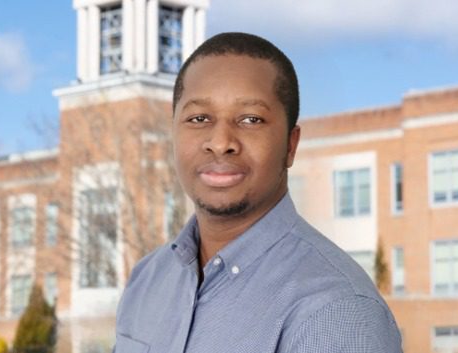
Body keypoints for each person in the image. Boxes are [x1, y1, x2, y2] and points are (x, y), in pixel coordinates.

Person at [114, 32, 402, 353]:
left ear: (291, 145)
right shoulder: (147, 278)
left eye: (251, 119)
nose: (221, 142)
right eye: (199, 118)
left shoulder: (336, 312)